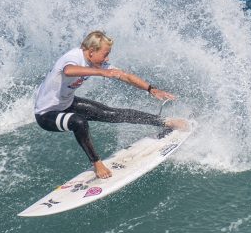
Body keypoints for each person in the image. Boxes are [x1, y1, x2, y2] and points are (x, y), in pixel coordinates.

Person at [33, 30, 188, 179]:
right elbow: (68, 71)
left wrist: (151, 89)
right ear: (92, 51)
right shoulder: (73, 56)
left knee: (113, 113)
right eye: (105, 54)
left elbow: (125, 76)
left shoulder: (96, 63)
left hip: (66, 103)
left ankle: (165, 122)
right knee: (79, 122)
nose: (107, 59)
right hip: (47, 113)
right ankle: (97, 164)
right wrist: (101, 72)